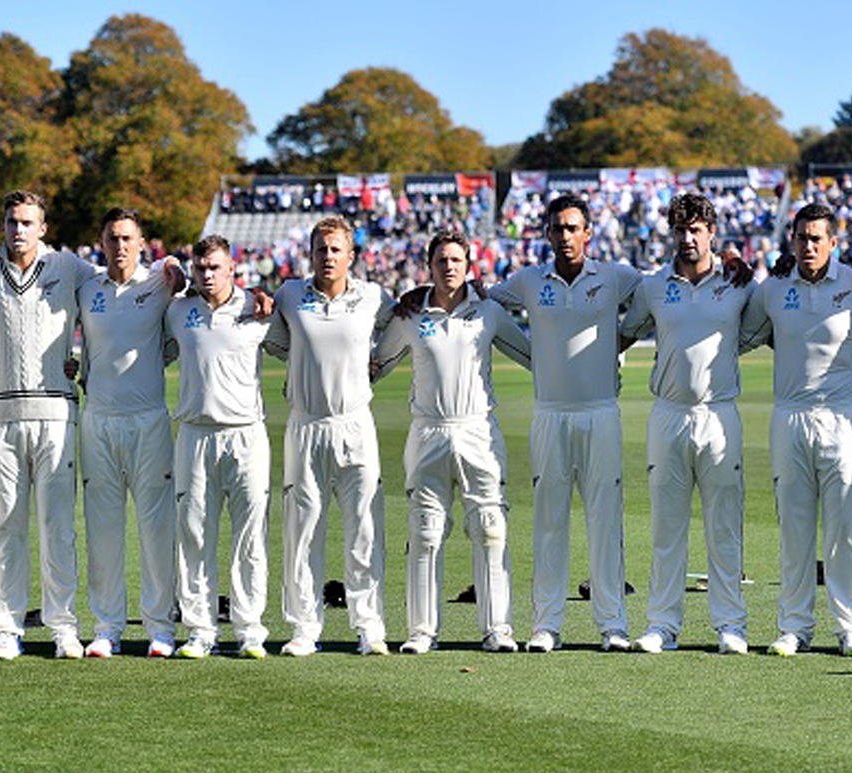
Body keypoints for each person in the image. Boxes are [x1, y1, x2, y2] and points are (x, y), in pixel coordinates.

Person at [740, 203, 852, 657]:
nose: (808, 246)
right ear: (791, 241)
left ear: (833, 242)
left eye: (817, 238)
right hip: (789, 414)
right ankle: (794, 626)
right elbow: (745, 334)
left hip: (843, 416)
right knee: (794, 526)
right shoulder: (773, 289)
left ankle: (850, 627)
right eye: (801, 238)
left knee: (843, 527)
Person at [487, 194, 640, 652]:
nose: (566, 235)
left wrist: (623, 338)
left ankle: (612, 623)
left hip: (600, 412)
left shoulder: (616, 277)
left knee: (605, 520)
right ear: (547, 233)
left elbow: (656, 295)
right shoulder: (529, 281)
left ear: (588, 233)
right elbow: (479, 301)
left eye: (574, 228)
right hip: (549, 414)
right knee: (549, 522)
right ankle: (546, 625)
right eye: (558, 228)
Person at [376, 229, 531, 654]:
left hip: (478, 430)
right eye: (441, 260)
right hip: (428, 431)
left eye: (456, 261)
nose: (449, 267)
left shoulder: (489, 312)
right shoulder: (410, 315)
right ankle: (422, 631)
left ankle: (497, 629)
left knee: (489, 527)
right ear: (430, 266)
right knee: (425, 530)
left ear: (469, 265)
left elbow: (533, 354)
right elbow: (375, 363)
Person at [619, 192, 752, 655]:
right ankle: (662, 626)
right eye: (681, 230)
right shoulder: (654, 285)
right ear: (671, 233)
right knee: (667, 528)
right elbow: (625, 331)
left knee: (724, 527)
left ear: (712, 233)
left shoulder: (738, 282)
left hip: (719, 413)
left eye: (697, 229)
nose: (688, 238)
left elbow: (765, 327)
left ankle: (731, 626)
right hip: (669, 414)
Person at [265, 215, 393, 656]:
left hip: (356, 423)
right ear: (311, 254)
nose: (328, 257)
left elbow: (403, 325)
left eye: (336, 249)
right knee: (302, 530)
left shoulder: (373, 296)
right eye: (321, 249)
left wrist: (381, 366)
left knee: (364, 528)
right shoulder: (290, 294)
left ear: (351, 256)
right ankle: (304, 627)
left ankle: (369, 626)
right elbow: (272, 336)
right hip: (305, 424)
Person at [0, 191, 98, 660]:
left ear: (43, 229)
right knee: (6, 527)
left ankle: (62, 626)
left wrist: (171, 266)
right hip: (1, 417)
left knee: (57, 527)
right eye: (11, 222)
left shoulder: (69, 268)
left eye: (27, 223)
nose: (18, 230)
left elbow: (117, 287)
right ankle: (6, 628)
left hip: (55, 413)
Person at [76, 208, 179, 659]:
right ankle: (107, 628)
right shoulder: (87, 287)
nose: (120, 246)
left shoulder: (159, 283)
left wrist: (172, 262)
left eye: (127, 238)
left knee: (156, 528)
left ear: (142, 243)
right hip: (98, 419)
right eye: (112, 238)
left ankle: (161, 628)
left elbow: (181, 277)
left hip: (148, 420)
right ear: (102, 243)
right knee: (103, 530)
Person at [164, 235, 272, 659]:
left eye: (215, 267)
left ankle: (249, 629)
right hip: (193, 433)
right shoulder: (178, 311)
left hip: (246, 433)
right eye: (201, 268)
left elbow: (289, 336)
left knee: (249, 537)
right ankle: (200, 629)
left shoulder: (256, 308)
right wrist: (170, 265)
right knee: (193, 535)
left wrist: (266, 297)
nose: (208, 275)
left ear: (232, 270)